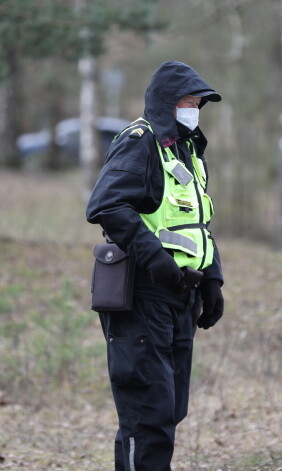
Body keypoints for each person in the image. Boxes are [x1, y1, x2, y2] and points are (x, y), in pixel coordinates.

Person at [86, 61, 225, 471]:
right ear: (166, 103)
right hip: (142, 294)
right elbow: (106, 205)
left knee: (169, 410)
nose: (194, 109)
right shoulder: (139, 141)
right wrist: (156, 261)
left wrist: (213, 278)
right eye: (187, 101)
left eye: (198, 103)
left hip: (181, 296)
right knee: (147, 415)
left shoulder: (187, 150)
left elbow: (197, 223)